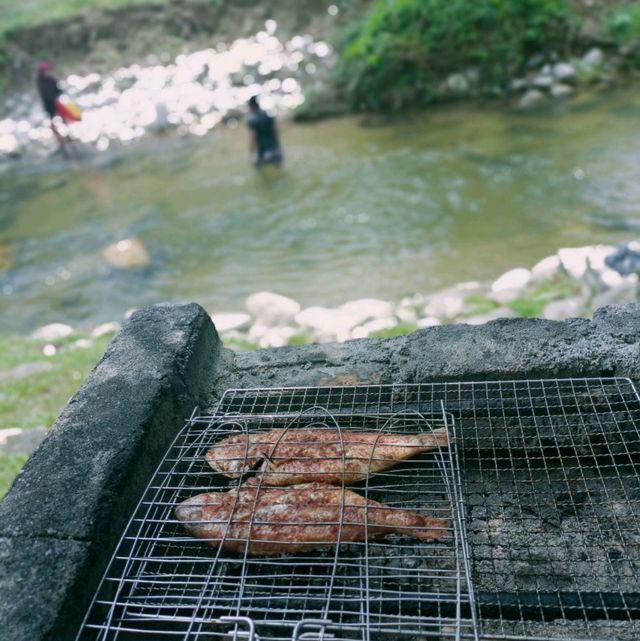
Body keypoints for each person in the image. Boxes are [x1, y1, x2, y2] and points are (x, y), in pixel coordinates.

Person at [36, 60, 76, 150]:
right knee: (59, 120)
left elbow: (57, 90)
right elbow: (58, 90)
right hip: (51, 102)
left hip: (51, 102)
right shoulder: (46, 80)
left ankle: (65, 138)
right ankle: (64, 138)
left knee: (59, 120)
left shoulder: (44, 80)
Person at [246, 95, 282, 168]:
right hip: (275, 149)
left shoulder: (252, 120)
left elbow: (253, 137)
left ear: (250, 106)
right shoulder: (268, 115)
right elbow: (276, 130)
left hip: (264, 152)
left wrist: (251, 153)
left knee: (259, 169)